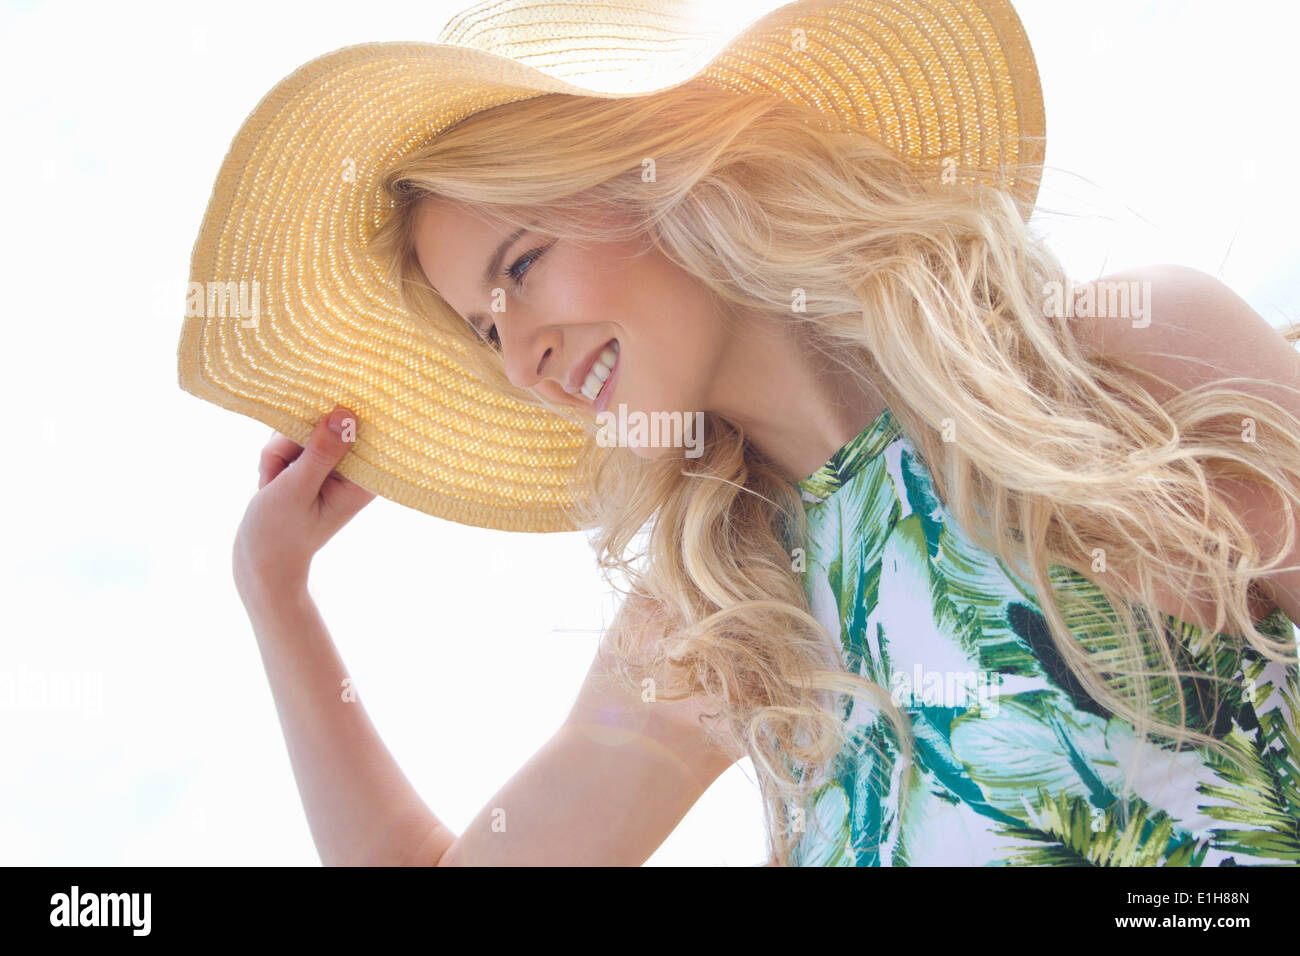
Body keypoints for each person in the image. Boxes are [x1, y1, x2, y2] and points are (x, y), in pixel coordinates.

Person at [229, 65, 1300, 870]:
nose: (520, 355)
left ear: (673, 173)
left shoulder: (1121, 365)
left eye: (521, 265)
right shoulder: (716, 625)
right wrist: (276, 595)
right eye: (483, 331)